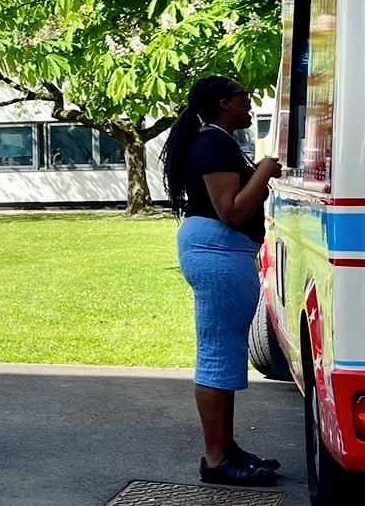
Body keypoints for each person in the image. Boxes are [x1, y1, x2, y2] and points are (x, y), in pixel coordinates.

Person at [161, 76, 282, 487]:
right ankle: (216, 458)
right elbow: (230, 210)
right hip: (217, 249)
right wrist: (264, 171)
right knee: (217, 352)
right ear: (224, 104)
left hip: (222, 251)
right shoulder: (214, 143)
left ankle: (226, 448)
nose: (251, 106)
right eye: (245, 100)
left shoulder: (217, 140)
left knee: (225, 350)